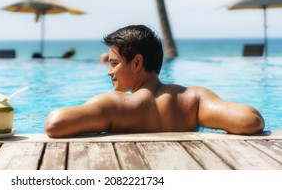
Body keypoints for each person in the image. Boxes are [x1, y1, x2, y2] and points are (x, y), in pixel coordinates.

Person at [44, 25, 265, 138]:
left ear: (137, 63)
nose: (109, 72)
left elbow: (55, 124)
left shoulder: (114, 105)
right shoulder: (194, 99)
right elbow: (250, 120)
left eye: (114, 63)